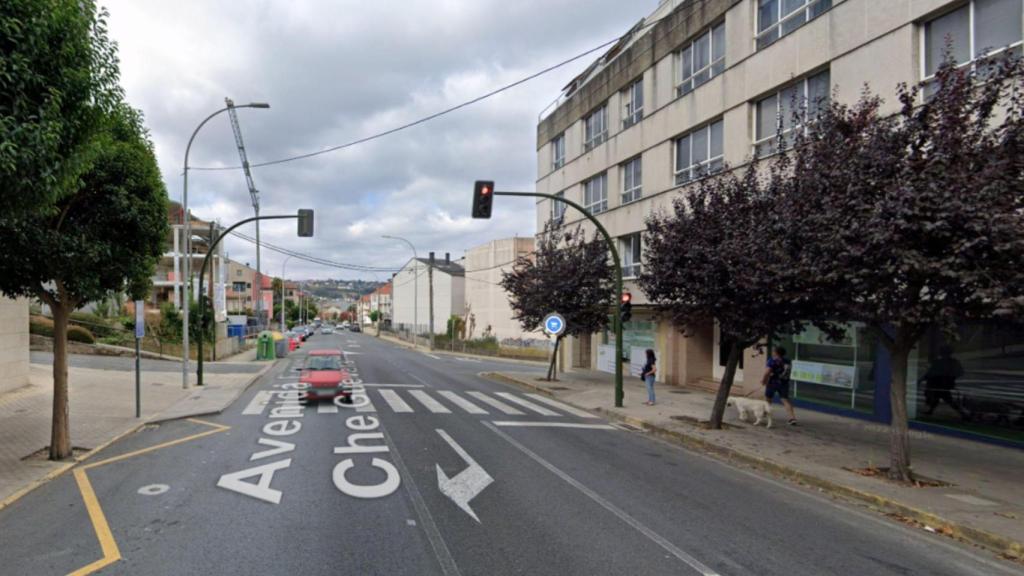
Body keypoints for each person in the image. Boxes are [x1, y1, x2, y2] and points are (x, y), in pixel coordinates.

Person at [920, 345, 966, 417]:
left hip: (940, 384)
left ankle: (963, 414)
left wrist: (950, 376)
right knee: (940, 398)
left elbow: (929, 374)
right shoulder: (951, 362)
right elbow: (930, 373)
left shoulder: (942, 362)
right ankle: (930, 411)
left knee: (946, 399)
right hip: (943, 384)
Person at [763, 346, 797, 425]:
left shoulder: (772, 361)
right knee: (785, 400)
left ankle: (765, 413)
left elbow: (767, 372)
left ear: (776, 352)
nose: (773, 352)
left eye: (774, 351)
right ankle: (792, 418)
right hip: (784, 383)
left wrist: (764, 380)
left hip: (773, 382)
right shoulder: (787, 361)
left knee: (768, 398)